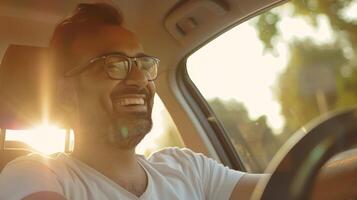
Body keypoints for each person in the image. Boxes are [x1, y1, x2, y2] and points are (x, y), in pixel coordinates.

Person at [0, 3, 356, 200]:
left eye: (143, 64)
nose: (138, 78)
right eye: (113, 65)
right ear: (64, 95)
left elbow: (291, 188)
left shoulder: (188, 170)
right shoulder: (33, 175)